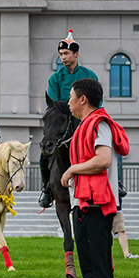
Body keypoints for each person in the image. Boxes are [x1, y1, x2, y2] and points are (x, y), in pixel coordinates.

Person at [61, 78, 130, 278]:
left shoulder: (99, 123)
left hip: (98, 208)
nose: (68, 102)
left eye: (71, 97)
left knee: (100, 269)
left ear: (83, 99)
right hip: (84, 205)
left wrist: (71, 169)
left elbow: (103, 160)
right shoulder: (84, 125)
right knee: (89, 270)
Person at [40, 30, 99, 208]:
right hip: (64, 119)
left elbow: (97, 100)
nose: (63, 58)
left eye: (66, 53)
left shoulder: (89, 75)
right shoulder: (55, 78)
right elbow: (53, 104)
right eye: (60, 54)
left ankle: (116, 183)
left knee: (105, 143)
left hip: (87, 119)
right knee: (44, 152)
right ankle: (47, 189)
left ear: (76, 54)